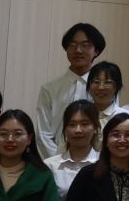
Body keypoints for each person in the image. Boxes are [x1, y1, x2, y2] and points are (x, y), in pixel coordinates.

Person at [34, 22, 104, 158]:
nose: (78, 50)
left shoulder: (104, 90)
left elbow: (108, 126)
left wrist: (96, 161)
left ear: (96, 51)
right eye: (72, 45)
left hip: (95, 162)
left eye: (85, 45)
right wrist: (57, 162)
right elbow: (43, 134)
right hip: (56, 162)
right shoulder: (49, 89)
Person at [84, 62, 124, 144]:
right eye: (96, 82)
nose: (101, 87)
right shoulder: (80, 114)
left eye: (107, 82)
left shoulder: (125, 117)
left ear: (117, 86)